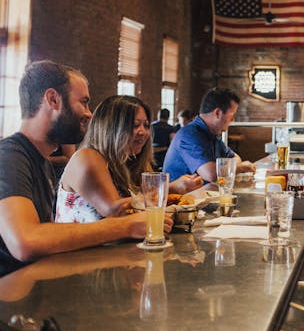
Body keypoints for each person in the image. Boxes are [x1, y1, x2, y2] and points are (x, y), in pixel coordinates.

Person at [0, 60, 171, 277]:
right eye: (84, 102)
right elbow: (26, 241)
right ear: (52, 99)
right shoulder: (9, 156)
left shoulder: (39, 159)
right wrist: (126, 226)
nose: (90, 114)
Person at [56, 95, 203, 223]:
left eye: (146, 125)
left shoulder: (132, 160)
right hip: (81, 254)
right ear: (111, 128)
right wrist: (170, 188)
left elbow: (147, 207)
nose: (143, 132)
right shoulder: (87, 157)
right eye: (135, 125)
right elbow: (115, 211)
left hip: (120, 250)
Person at [163, 87, 256, 184]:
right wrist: (240, 168)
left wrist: (226, 167)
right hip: (179, 198)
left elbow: (236, 158)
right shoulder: (190, 135)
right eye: (232, 116)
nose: (233, 121)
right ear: (217, 113)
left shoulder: (211, 134)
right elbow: (210, 173)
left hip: (199, 195)